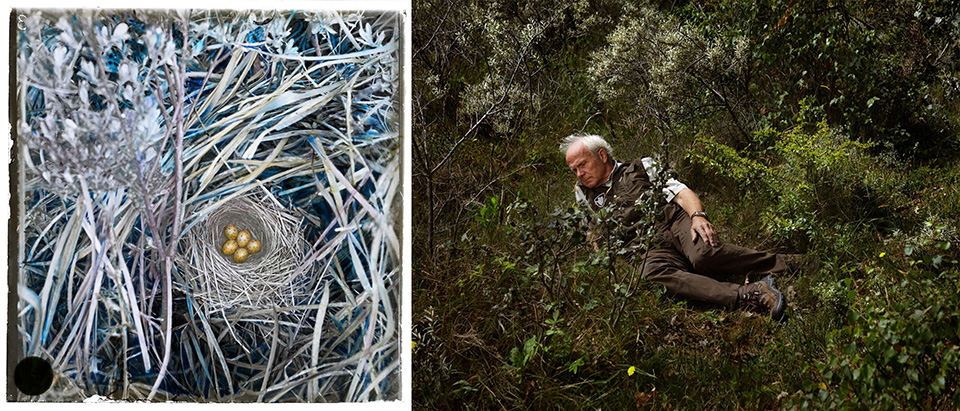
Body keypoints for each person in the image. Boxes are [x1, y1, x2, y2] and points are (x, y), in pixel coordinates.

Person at [561, 134, 795, 320]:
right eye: (574, 170)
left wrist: (698, 217)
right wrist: (606, 262)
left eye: (582, 165)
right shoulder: (583, 194)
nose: (579, 174)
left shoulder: (641, 167)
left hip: (675, 224)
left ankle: (787, 263)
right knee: (650, 276)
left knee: (705, 255)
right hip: (646, 248)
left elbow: (681, 193)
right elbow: (592, 232)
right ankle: (751, 293)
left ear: (601, 155)